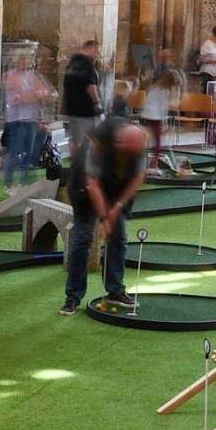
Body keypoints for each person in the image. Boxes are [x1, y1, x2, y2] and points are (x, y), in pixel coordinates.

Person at [61, 116, 149, 315]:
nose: (129, 157)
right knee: (83, 239)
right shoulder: (98, 144)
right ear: (117, 143)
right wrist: (103, 217)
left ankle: (115, 290)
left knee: (118, 237)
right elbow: (92, 183)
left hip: (116, 189)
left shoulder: (138, 145)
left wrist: (116, 208)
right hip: (84, 187)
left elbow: (137, 177)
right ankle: (72, 297)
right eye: (125, 153)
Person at [1, 53, 52, 186]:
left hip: (30, 119)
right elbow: (22, 97)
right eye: (23, 61)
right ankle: (8, 183)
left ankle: (24, 184)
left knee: (28, 153)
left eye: (28, 62)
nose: (26, 64)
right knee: (14, 153)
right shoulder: (10, 76)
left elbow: (46, 92)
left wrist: (34, 95)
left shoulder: (32, 76)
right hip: (16, 120)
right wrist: (34, 95)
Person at [60, 41, 101, 161]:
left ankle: (75, 166)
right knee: (90, 138)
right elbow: (91, 87)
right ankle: (84, 165)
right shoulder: (87, 64)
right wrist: (97, 103)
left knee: (75, 139)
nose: (97, 54)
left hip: (72, 109)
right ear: (91, 49)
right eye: (96, 50)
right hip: (85, 110)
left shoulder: (71, 64)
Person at [140, 49, 180, 158]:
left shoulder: (158, 88)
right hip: (153, 115)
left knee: (153, 137)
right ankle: (153, 162)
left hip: (151, 114)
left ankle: (152, 161)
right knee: (155, 138)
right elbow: (167, 103)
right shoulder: (160, 89)